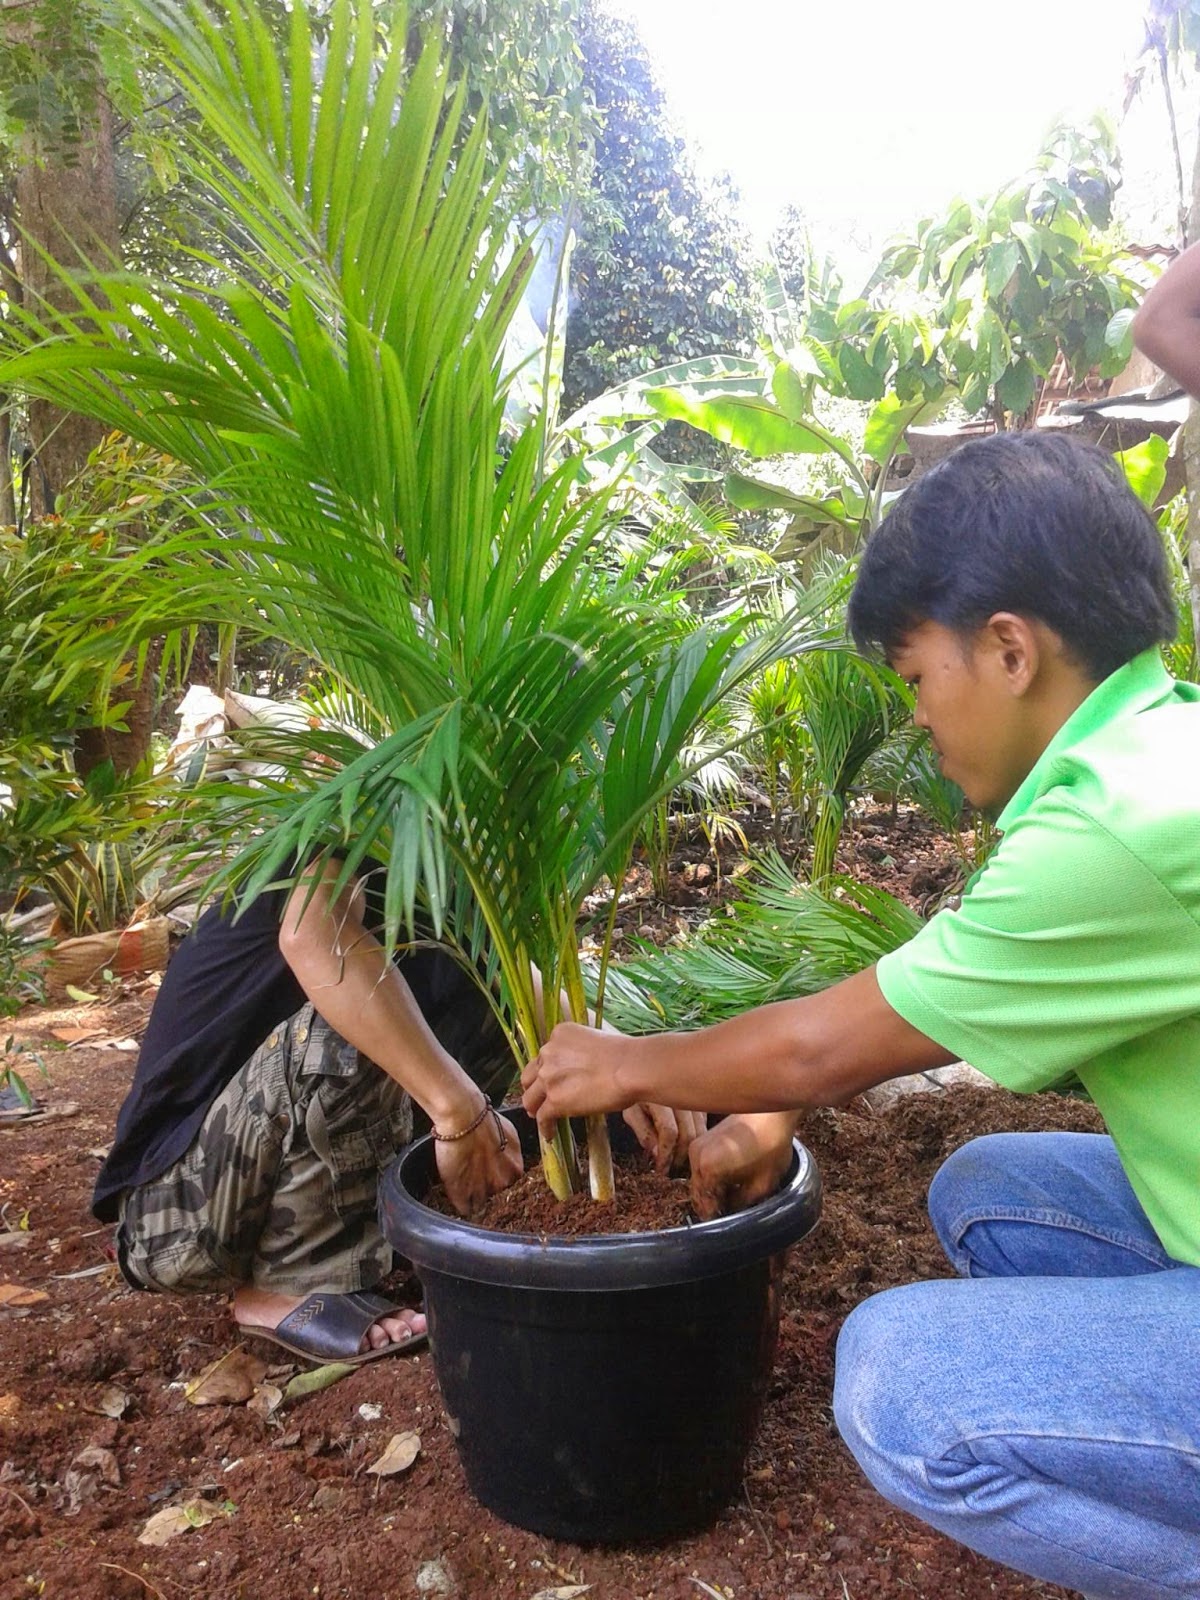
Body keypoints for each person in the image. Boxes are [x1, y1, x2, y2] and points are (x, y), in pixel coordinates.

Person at [522, 429, 1200, 1600]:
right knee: (991, 1189)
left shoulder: (1118, 833)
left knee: (898, 1384)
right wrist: (769, 1096)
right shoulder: (1159, 751)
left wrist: (629, 1060)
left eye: (914, 677)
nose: (918, 717)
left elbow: (832, 1041)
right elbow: (922, 999)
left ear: (1008, 649)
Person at [96, 858, 701, 1365]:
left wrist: (636, 1067)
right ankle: (288, 1281)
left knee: (488, 1005)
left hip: (253, 1170)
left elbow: (523, 987)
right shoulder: (358, 811)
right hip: (176, 1216)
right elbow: (312, 937)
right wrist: (460, 1111)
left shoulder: (446, 872)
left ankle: (385, 1220)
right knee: (357, 1015)